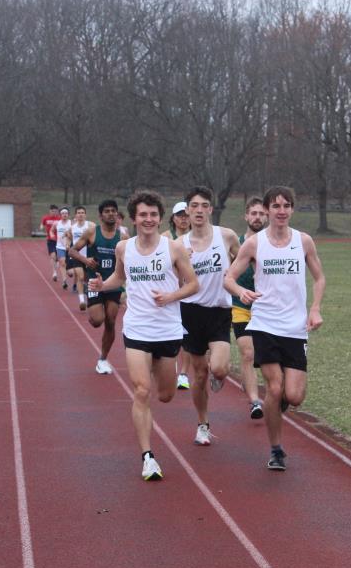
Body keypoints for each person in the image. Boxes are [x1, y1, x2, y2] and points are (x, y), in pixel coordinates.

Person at [90, 190, 198, 480]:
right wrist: (103, 285)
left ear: (160, 218)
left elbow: (193, 284)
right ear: (134, 218)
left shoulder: (173, 248)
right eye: (143, 215)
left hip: (167, 329)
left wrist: (171, 296)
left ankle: (164, 374)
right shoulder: (123, 248)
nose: (148, 219)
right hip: (137, 328)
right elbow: (119, 277)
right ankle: (148, 457)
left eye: (153, 214)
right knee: (141, 390)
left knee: (165, 395)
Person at [225, 186, 325, 471]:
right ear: (268, 209)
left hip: (295, 327)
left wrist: (315, 308)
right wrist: (240, 291)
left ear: (292, 209)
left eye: (286, 206)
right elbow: (228, 278)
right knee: (274, 386)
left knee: (293, 396)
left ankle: (276, 404)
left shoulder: (303, 241)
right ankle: (276, 450)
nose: (281, 211)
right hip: (265, 324)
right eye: (276, 206)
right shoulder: (254, 243)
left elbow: (319, 278)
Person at [178, 186, 240, 446]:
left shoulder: (226, 236)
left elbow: (243, 261)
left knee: (219, 368)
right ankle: (202, 424)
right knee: (200, 374)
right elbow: (173, 281)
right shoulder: (178, 245)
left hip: (219, 311)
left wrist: (234, 276)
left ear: (211, 209)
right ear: (187, 210)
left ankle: (219, 374)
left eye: (204, 205)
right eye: (194, 206)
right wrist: (181, 265)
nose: (199, 210)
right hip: (191, 312)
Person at [70, 199, 124, 375]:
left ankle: (103, 359)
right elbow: (72, 250)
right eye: (107, 211)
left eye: (113, 211)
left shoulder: (123, 237)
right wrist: (86, 261)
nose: (111, 214)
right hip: (94, 282)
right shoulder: (92, 232)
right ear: (101, 215)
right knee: (97, 321)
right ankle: (93, 314)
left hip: (113, 284)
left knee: (111, 321)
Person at [231, 197, 268, 419]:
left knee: (267, 357)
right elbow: (226, 275)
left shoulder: (273, 244)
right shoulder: (236, 243)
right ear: (246, 216)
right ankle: (255, 401)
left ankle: (271, 392)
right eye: (253, 213)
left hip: (268, 308)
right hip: (241, 306)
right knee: (248, 353)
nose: (257, 217)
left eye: (261, 214)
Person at [163, 201, 192, 390]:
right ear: (173, 218)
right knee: (171, 334)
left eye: (186, 215)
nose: (183, 219)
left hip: (190, 293)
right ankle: (169, 365)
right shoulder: (165, 238)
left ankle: (183, 374)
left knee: (187, 337)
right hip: (171, 293)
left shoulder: (196, 237)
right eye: (180, 215)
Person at [68, 206, 94, 310]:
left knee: (88, 279)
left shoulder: (91, 225)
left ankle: (90, 298)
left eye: (82, 212)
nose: (80, 214)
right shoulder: (72, 227)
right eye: (78, 213)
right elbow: (69, 238)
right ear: (75, 215)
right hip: (77, 256)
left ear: (85, 215)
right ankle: (82, 301)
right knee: (80, 277)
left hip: (89, 256)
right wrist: (67, 245)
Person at [40, 204, 61, 281]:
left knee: (58, 257)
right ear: (50, 211)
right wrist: (41, 227)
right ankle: (54, 273)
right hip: (50, 240)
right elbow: (42, 224)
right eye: (52, 211)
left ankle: (57, 262)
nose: (54, 212)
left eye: (55, 211)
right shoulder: (46, 218)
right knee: (53, 256)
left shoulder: (59, 218)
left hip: (59, 240)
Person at [54, 207, 73, 290]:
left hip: (70, 247)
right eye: (63, 213)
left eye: (66, 213)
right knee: (62, 262)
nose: (64, 215)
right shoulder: (57, 223)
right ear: (60, 215)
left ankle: (69, 271)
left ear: (68, 214)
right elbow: (52, 230)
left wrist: (69, 235)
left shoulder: (72, 223)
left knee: (70, 270)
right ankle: (64, 281)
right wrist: (51, 234)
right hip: (60, 246)